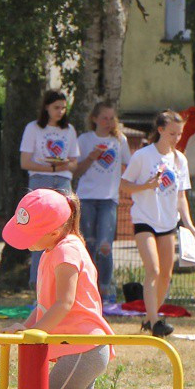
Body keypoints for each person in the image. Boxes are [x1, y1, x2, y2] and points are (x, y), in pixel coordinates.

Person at [1, 188, 114, 389]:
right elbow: (44, 305)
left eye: (30, 235)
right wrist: (26, 326)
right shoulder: (55, 250)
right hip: (81, 349)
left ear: (54, 230)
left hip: (83, 349)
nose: (27, 242)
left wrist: (35, 333)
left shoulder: (66, 251)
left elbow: (63, 304)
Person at [120, 110, 195, 337]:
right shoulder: (143, 156)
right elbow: (125, 185)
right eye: (172, 133)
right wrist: (146, 186)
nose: (177, 138)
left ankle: (148, 317)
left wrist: (189, 225)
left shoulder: (179, 160)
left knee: (165, 274)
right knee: (153, 269)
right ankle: (155, 322)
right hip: (144, 219)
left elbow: (181, 196)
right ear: (161, 130)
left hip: (167, 222)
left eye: (180, 134)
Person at [20, 90, 80, 287]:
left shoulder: (69, 130)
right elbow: (25, 162)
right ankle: (37, 282)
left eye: (63, 108)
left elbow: (73, 162)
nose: (60, 111)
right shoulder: (34, 128)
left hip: (62, 181)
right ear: (46, 107)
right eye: (56, 107)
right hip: (40, 180)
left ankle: (62, 279)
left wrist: (62, 166)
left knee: (62, 231)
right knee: (39, 232)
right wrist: (51, 167)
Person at [73, 102, 131, 302]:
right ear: (95, 119)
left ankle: (106, 291)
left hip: (109, 200)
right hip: (87, 198)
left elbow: (129, 166)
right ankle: (85, 291)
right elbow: (76, 171)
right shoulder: (85, 139)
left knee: (105, 246)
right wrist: (91, 158)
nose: (108, 122)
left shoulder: (119, 140)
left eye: (111, 118)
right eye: (104, 118)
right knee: (87, 245)